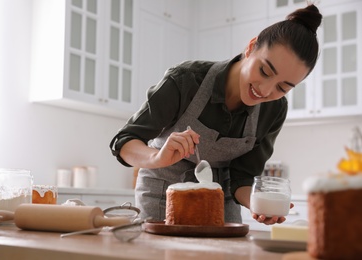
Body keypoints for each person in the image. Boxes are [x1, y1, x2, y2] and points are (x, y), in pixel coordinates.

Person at [110, 4, 322, 225]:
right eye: (265, 71)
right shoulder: (187, 80)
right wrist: (157, 157)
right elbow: (124, 141)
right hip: (162, 197)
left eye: (283, 88)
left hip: (220, 202)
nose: (266, 91)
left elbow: (242, 178)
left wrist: (258, 204)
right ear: (251, 48)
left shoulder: (274, 110)